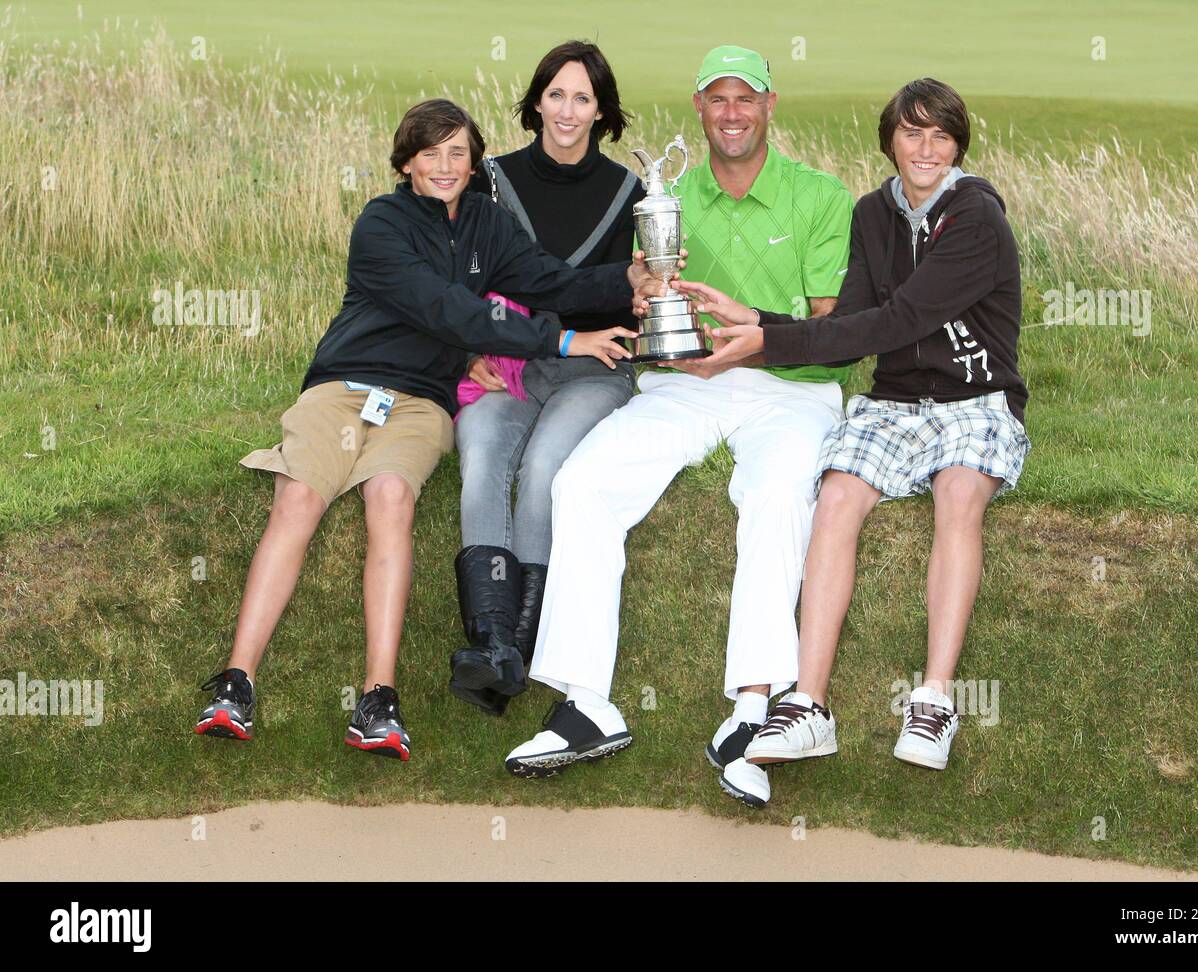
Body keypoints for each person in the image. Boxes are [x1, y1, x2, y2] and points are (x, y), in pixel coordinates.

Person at [193, 98, 667, 760]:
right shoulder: (382, 223)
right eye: (430, 153)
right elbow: (452, 313)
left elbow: (548, 278)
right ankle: (236, 681)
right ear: (408, 161)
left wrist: (629, 276)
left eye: (458, 153)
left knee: (391, 498)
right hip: (343, 387)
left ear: (475, 162)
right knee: (298, 496)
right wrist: (562, 342)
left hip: (420, 402)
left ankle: (377, 699)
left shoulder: (486, 222)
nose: (445, 166)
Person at [503, 46, 854, 809]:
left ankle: (754, 709)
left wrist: (751, 337)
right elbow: (652, 298)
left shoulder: (822, 195)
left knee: (773, 494)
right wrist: (655, 317)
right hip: (686, 379)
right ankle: (586, 702)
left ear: (769, 106)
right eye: (717, 99)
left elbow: (830, 327)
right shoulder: (665, 197)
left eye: (746, 99)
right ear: (698, 107)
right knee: (585, 482)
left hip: (789, 382)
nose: (732, 113)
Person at [675, 78, 1031, 774]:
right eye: (911, 133)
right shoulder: (873, 214)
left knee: (959, 494)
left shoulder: (976, 220)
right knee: (835, 496)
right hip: (895, 400)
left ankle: (932, 701)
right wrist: (758, 320)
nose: (925, 149)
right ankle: (808, 706)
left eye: (940, 136)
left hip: (978, 398)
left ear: (957, 146)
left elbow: (900, 320)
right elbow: (850, 329)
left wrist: (765, 344)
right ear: (890, 141)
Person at [448, 41, 648, 718]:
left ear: (601, 111)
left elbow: (632, 300)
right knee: (481, 455)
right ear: (536, 102)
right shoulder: (489, 180)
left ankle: (520, 645)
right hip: (506, 365)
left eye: (582, 98)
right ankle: (492, 644)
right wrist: (462, 353)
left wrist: (644, 306)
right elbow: (456, 282)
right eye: (555, 95)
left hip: (593, 368)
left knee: (543, 471)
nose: (567, 110)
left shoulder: (631, 194)